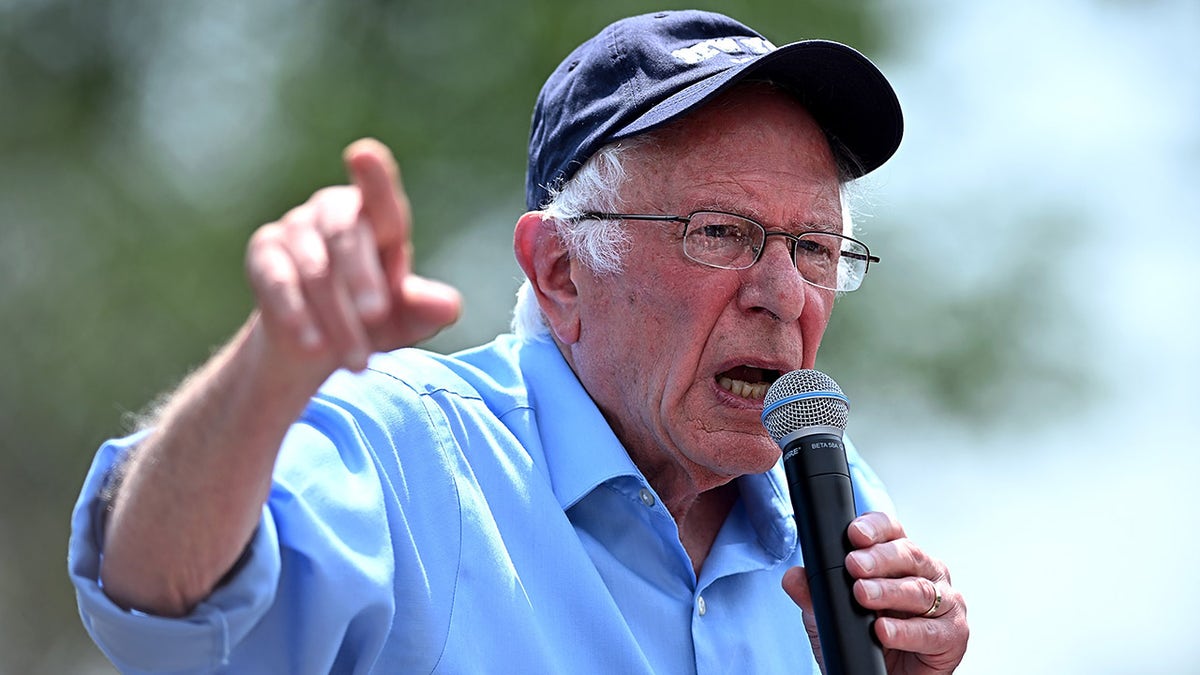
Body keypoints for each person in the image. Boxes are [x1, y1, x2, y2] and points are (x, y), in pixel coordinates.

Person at [69, 9, 969, 674]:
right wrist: (267, 371)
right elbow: (154, 599)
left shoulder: (833, 506)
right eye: (722, 233)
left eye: (815, 248)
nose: (783, 294)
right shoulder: (409, 451)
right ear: (561, 272)